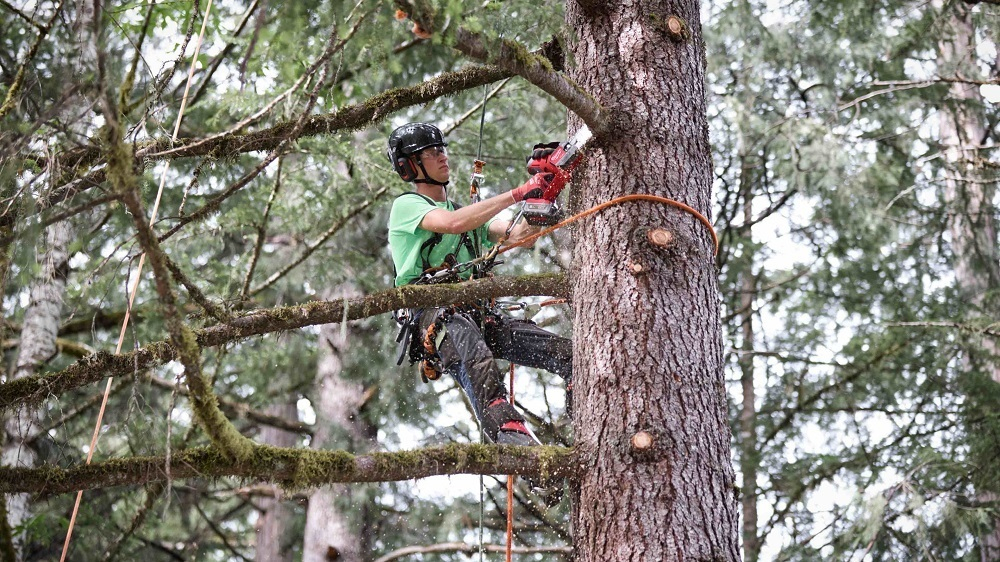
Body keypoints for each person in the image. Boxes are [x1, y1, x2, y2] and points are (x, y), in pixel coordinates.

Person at [386, 122, 572, 448]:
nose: (442, 157)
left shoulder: (466, 213)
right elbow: (452, 224)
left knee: (565, 354)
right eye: (431, 153)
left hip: (480, 314)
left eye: (441, 149)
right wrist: (517, 192)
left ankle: (585, 408)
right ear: (410, 166)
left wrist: (544, 194)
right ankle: (510, 437)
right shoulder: (408, 207)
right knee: (468, 347)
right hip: (434, 316)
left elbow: (518, 236)